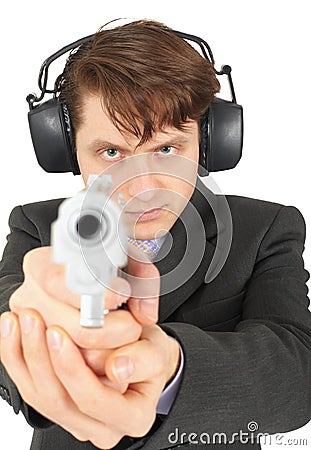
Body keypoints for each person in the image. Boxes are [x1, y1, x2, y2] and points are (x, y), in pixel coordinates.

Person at [0, 19, 310, 450]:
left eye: (166, 149)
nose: (143, 187)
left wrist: (170, 369)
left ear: (210, 141)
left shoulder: (266, 230)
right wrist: (31, 329)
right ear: (69, 151)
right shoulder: (37, 229)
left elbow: (298, 374)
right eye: (112, 152)